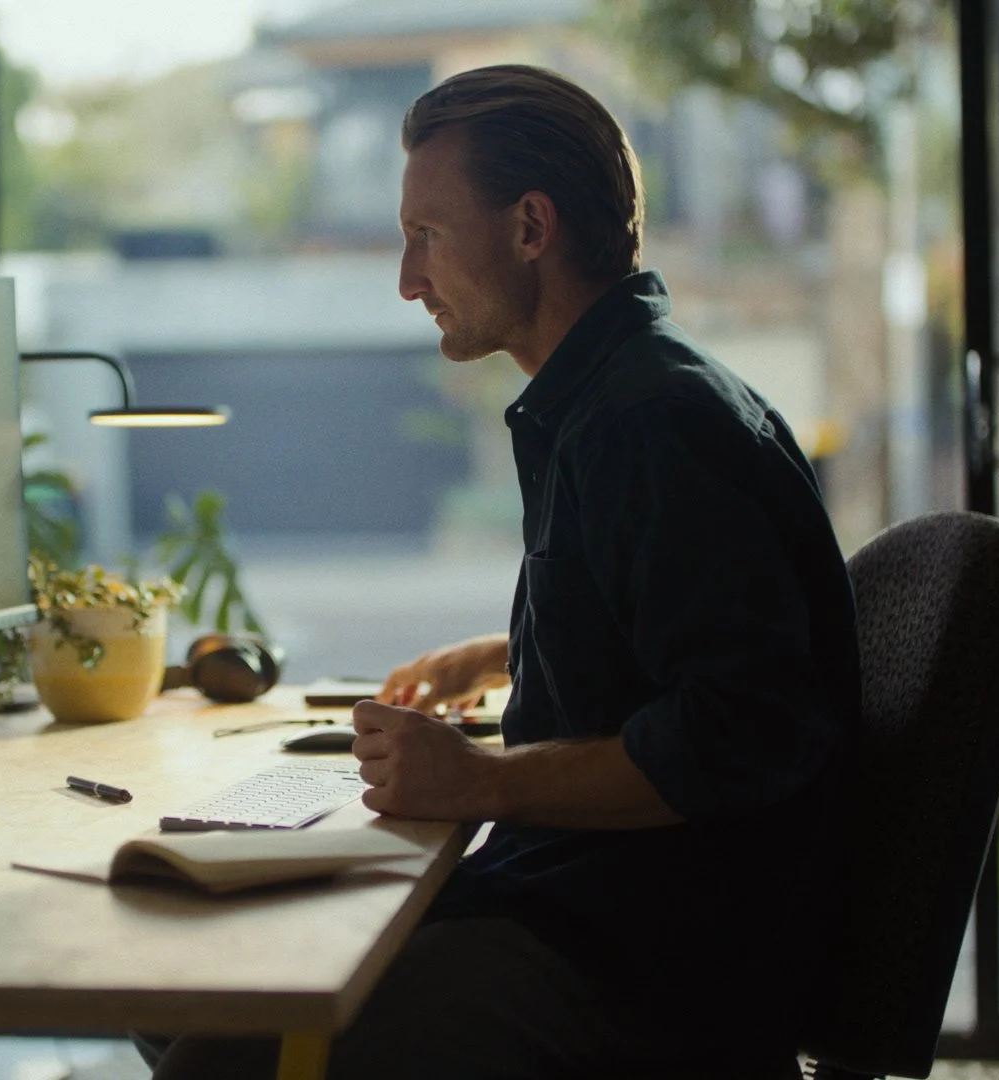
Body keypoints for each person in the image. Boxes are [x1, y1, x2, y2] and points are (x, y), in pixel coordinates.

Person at [142, 64, 859, 1080]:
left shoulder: (649, 424)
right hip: (591, 915)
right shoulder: (612, 397)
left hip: (642, 970)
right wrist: (520, 653)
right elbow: (667, 647)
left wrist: (481, 780)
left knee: (217, 1053)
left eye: (426, 235)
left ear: (530, 227)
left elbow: (741, 731)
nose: (406, 278)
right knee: (192, 984)